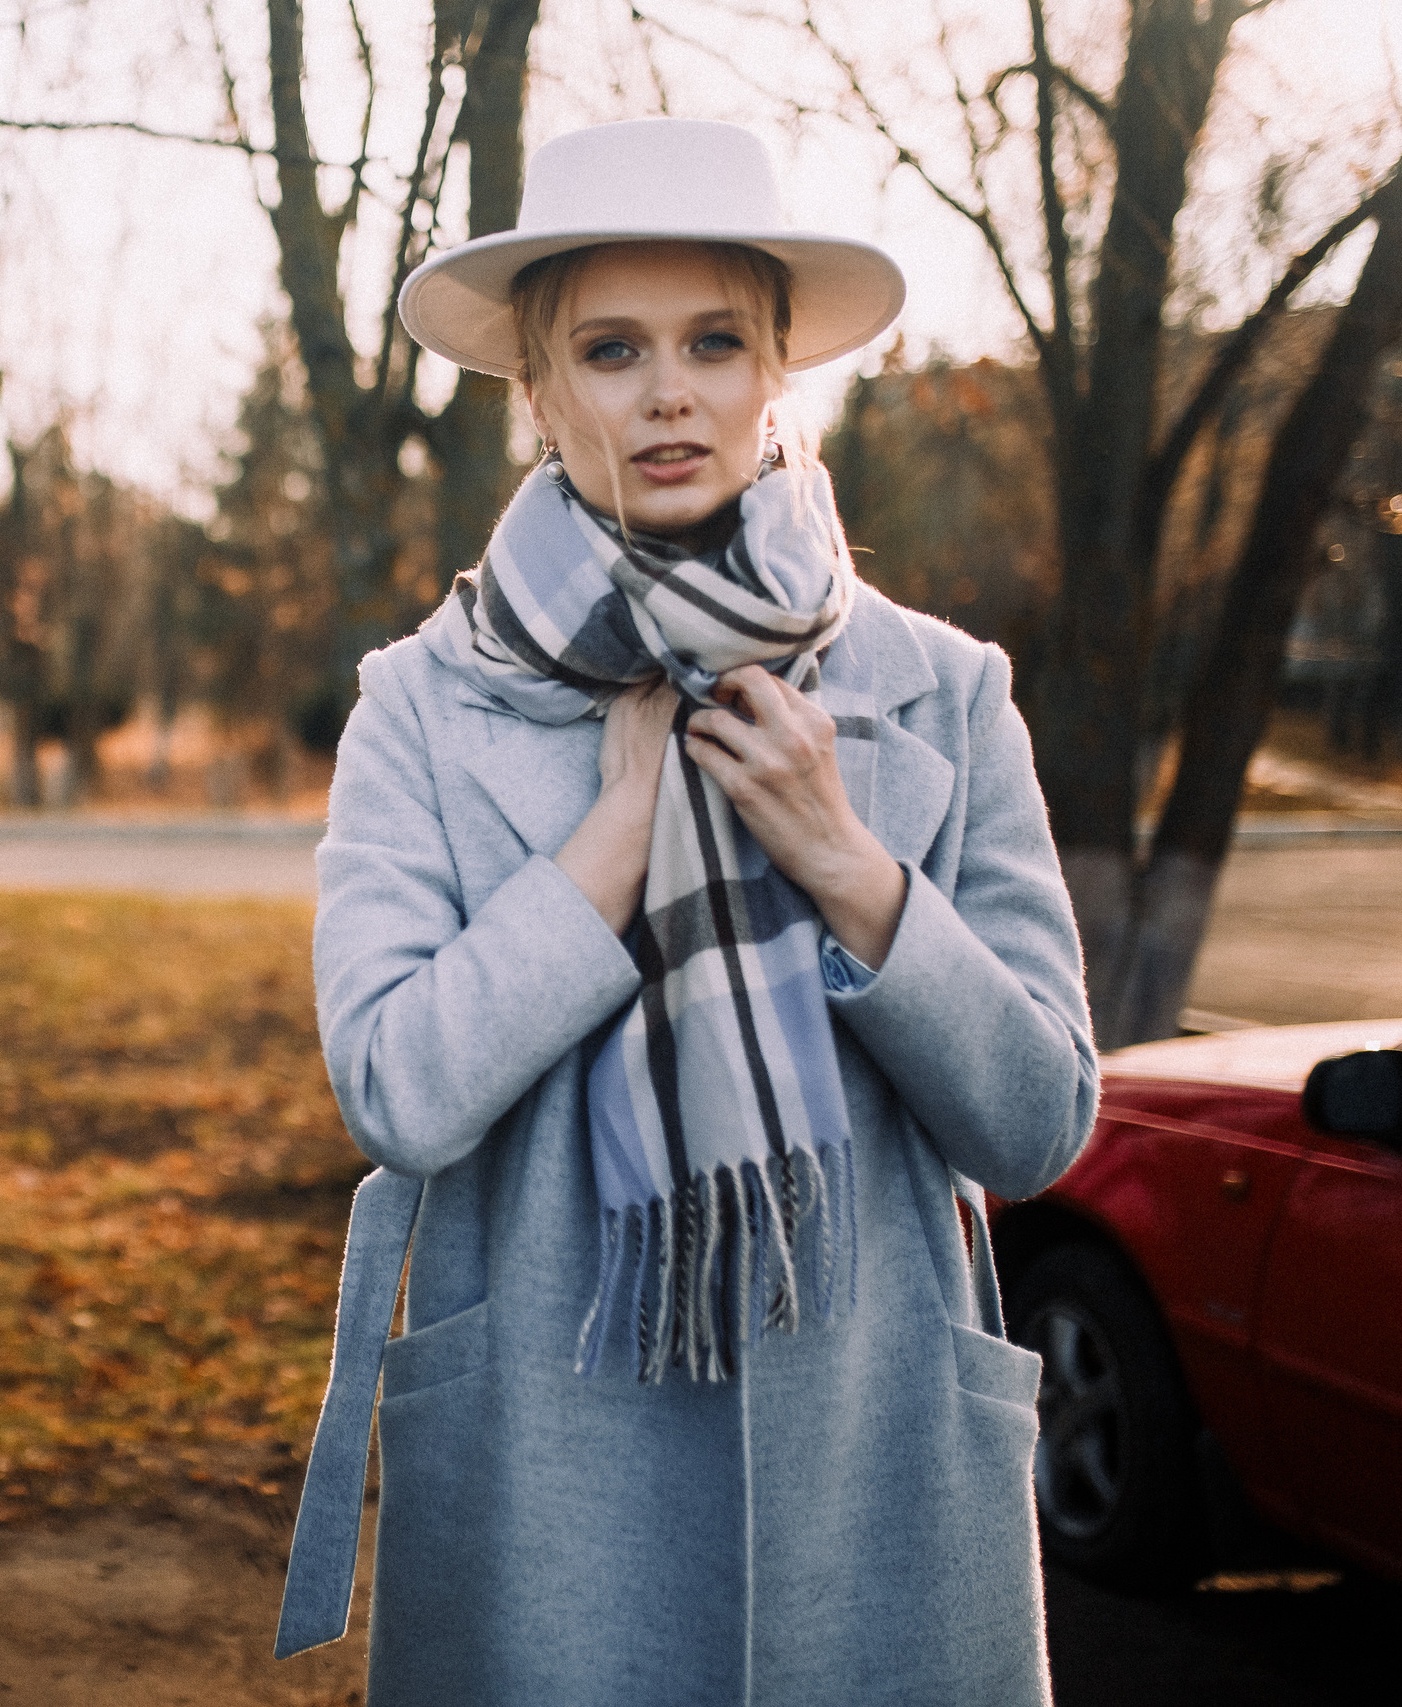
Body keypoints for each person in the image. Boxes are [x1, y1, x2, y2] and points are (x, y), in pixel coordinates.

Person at [273, 118, 1096, 1706]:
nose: (670, 393)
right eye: (611, 348)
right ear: (538, 390)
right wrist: (615, 842)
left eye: (716, 341)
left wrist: (845, 861)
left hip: (875, 1466)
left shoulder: (941, 689)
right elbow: (397, 1089)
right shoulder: (423, 708)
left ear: (777, 370)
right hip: (548, 1474)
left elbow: (1038, 1118)